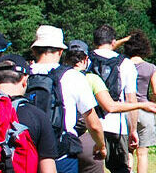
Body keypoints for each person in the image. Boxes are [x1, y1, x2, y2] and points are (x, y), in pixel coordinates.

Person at [64, 41, 156, 173]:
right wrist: (143, 105)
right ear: (86, 59)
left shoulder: (58, 77)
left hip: (65, 137)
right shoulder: (91, 79)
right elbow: (110, 107)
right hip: (95, 132)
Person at [31, 25, 104, 173]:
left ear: (34, 50)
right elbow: (93, 122)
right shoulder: (73, 76)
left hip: (28, 152)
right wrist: (101, 145)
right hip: (61, 153)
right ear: (60, 51)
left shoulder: (23, 74)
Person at [86, 25, 139, 173]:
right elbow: (131, 100)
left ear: (95, 41)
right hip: (116, 125)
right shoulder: (126, 64)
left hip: (89, 124)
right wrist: (133, 129)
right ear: (113, 41)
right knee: (120, 168)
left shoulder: (86, 60)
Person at [121, 31, 156, 173]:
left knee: (127, 152)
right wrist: (151, 101)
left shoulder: (121, 65)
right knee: (142, 153)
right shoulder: (151, 68)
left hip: (125, 110)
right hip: (145, 110)